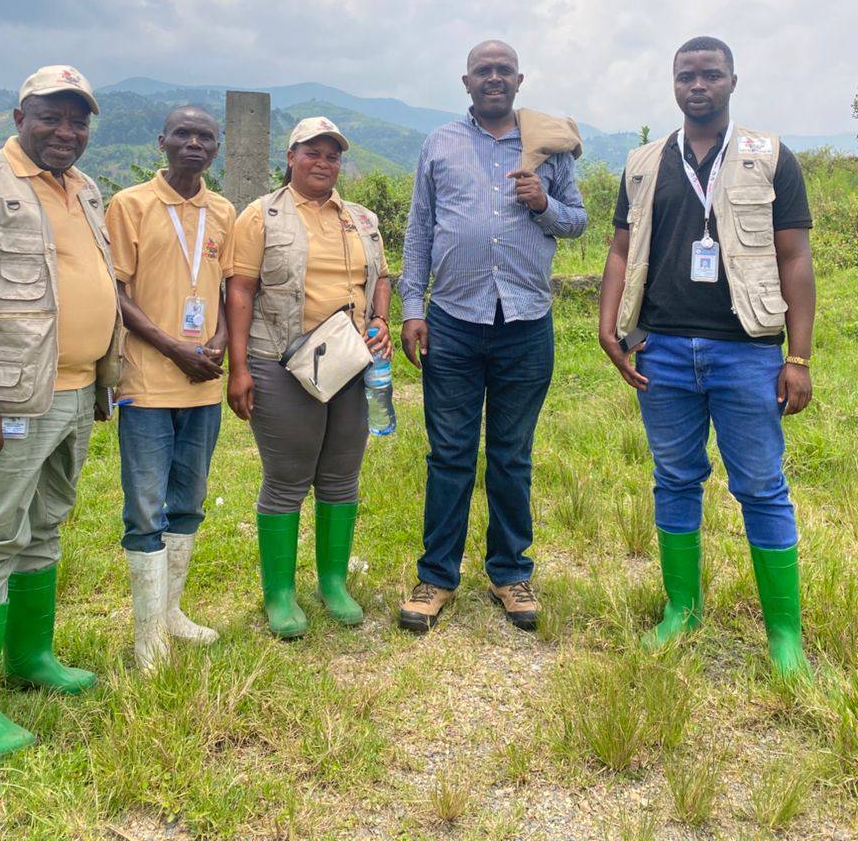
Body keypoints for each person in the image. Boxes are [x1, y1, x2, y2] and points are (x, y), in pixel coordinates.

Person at [598, 36, 815, 678]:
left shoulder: (767, 158)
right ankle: (681, 609)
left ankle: (784, 636)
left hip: (746, 350)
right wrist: (610, 327)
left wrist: (797, 357)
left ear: (732, 81)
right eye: (687, 75)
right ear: (673, 83)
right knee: (674, 479)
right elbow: (619, 249)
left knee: (761, 486)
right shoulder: (643, 163)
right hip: (660, 350)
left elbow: (795, 258)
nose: (699, 85)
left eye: (711, 75)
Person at [0, 65, 121, 757]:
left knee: (46, 526)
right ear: (19, 117)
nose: (66, 132)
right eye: (51, 117)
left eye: (78, 120)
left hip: (71, 390)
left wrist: (100, 379)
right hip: (11, 393)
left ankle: (31, 660)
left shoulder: (84, 188)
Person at [397, 41, 588, 633]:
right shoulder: (441, 144)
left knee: (511, 455)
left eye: (504, 70)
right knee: (449, 453)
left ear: (520, 79)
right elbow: (421, 228)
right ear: (466, 81)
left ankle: (510, 573)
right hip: (453, 319)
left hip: (526, 321)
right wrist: (411, 306)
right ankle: (436, 577)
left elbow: (577, 221)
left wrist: (544, 204)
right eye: (485, 70)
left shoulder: (549, 145)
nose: (495, 78)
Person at [225, 117, 392, 638]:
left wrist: (381, 320)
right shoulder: (263, 216)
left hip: (349, 363)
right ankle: (279, 594)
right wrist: (238, 368)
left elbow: (380, 277)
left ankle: (333, 583)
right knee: (287, 479)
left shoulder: (361, 219)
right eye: (312, 152)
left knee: (342, 475)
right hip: (281, 362)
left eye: (332, 155)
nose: (323, 162)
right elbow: (241, 291)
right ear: (291, 157)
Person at [105, 106, 236, 670]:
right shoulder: (130, 205)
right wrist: (171, 346)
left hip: (203, 384)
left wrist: (222, 342)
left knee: (189, 501)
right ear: (162, 141)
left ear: (216, 147)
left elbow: (231, 290)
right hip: (148, 382)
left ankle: (173, 614)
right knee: (146, 507)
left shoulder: (224, 210)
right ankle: (146, 636)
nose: (193, 143)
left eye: (204, 136)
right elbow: (116, 292)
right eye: (182, 134)